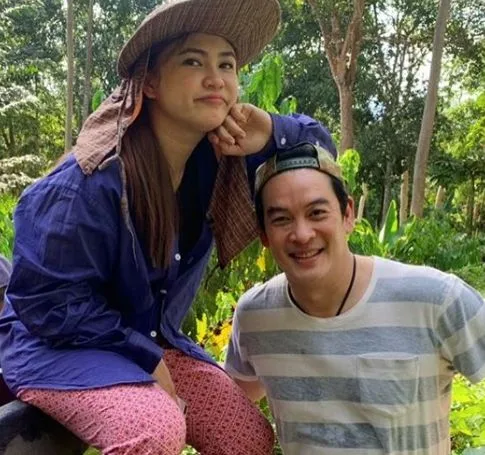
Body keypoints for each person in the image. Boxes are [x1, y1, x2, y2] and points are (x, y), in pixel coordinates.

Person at [0, 0, 338, 453]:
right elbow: (45, 301)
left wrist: (271, 129)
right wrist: (141, 355)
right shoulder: (90, 181)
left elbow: (321, 156)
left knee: (247, 439)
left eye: (226, 64)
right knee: (154, 430)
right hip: (58, 349)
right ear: (150, 82)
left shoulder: (220, 161)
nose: (216, 78)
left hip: (149, 342)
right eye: (193, 61)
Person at [225, 142, 485, 455]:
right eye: (281, 219)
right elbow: (233, 403)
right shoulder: (255, 317)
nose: (302, 234)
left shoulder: (435, 299)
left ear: (347, 214)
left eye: (317, 212)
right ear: (264, 234)